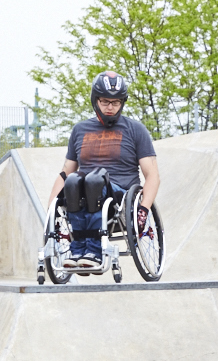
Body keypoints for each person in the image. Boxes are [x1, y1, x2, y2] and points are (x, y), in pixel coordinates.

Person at [45, 71, 160, 270]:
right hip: (82, 189)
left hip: (120, 194)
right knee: (74, 180)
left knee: (94, 180)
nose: (110, 107)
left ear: (122, 103)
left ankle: (94, 249)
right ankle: (78, 249)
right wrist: (51, 210)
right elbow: (65, 173)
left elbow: (153, 176)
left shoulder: (135, 129)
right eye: (105, 101)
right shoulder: (80, 130)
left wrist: (143, 210)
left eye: (116, 103)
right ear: (95, 100)